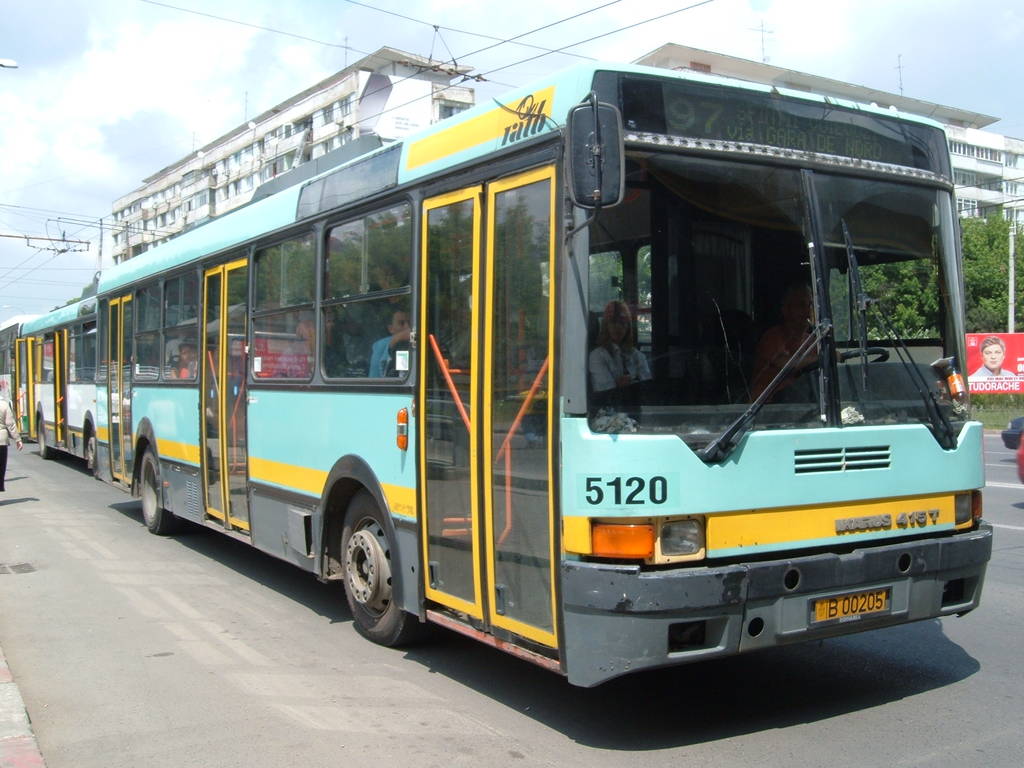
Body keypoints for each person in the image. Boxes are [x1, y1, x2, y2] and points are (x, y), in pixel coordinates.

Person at [750, 283, 817, 399]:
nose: (807, 311)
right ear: (786, 310)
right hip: (768, 405)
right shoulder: (772, 337)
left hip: (803, 405)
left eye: (810, 305)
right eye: (801, 305)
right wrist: (821, 357)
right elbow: (786, 365)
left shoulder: (813, 341)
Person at [588, 300, 651, 394]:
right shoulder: (597, 356)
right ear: (606, 325)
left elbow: (647, 388)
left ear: (628, 327)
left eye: (622, 323)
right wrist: (635, 379)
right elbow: (606, 391)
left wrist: (625, 382)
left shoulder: (638, 356)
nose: (618, 327)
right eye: (613, 322)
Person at [369, 310, 411, 377]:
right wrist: (395, 341)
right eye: (402, 323)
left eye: (409, 322)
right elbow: (375, 378)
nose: (407, 327)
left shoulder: (417, 342)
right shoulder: (380, 346)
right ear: (391, 329)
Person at [0, 399, 23, 491]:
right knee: (1, 467)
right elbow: (11, 424)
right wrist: (17, 439)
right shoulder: (4, 405)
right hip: (1, 440)